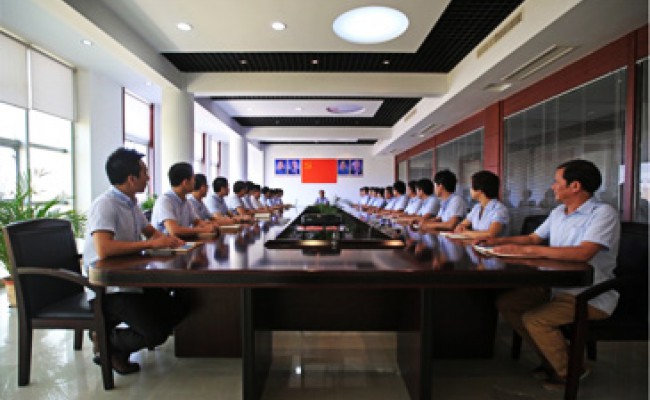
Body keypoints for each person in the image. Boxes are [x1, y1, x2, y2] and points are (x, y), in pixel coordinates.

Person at [482, 160, 620, 390]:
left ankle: (570, 372)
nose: (552, 186)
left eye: (556, 182)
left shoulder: (603, 213)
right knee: (508, 303)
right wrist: (496, 241)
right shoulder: (558, 212)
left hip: (589, 293)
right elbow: (533, 238)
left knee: (535, 319)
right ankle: (554, 359)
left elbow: (583, 253)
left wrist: (528, 251)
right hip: (556, 286)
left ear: (575, 186)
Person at [82, 148, 187, 375]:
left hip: (132, 279)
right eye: (145, 173)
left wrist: (171, 242)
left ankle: (114, 345)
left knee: (180, 306)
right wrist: (149, 245)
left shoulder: (130, 203)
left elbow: (150, 232)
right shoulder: (105, 204)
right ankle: (108, 343)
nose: (148, 178)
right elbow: (104, 248)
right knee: (156, 333)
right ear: (131, 178)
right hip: (109, 288)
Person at [151, 162, 218, 237]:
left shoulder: (186, 201)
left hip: (181, 242)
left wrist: (210, 225)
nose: (195, 182)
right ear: (185, 182)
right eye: (193, 179)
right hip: (166, 243)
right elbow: (174, 231)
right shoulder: (165, 200)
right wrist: (204, 229)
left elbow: (197, 222)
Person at [454, 170, 508, 238]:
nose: (470, 189)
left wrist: (466, 232)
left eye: (471, 187)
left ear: (480, 190)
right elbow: (462, 224)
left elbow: (490, 234)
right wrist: (460, 227)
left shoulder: (499, 210)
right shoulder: (477, 207)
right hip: (475, 244)